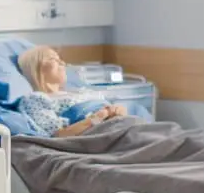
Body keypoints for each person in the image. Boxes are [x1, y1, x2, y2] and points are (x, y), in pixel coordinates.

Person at [15, 45, 147, 137]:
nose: (62, 62)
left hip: (122, 124)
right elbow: (60, 135)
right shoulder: (36, 99)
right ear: (36, 68)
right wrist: (99, 117)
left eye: (60, 58)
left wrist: (118, 110)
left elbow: (111, 110)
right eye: (53, 59)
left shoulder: (79, 92)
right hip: (101, 133)